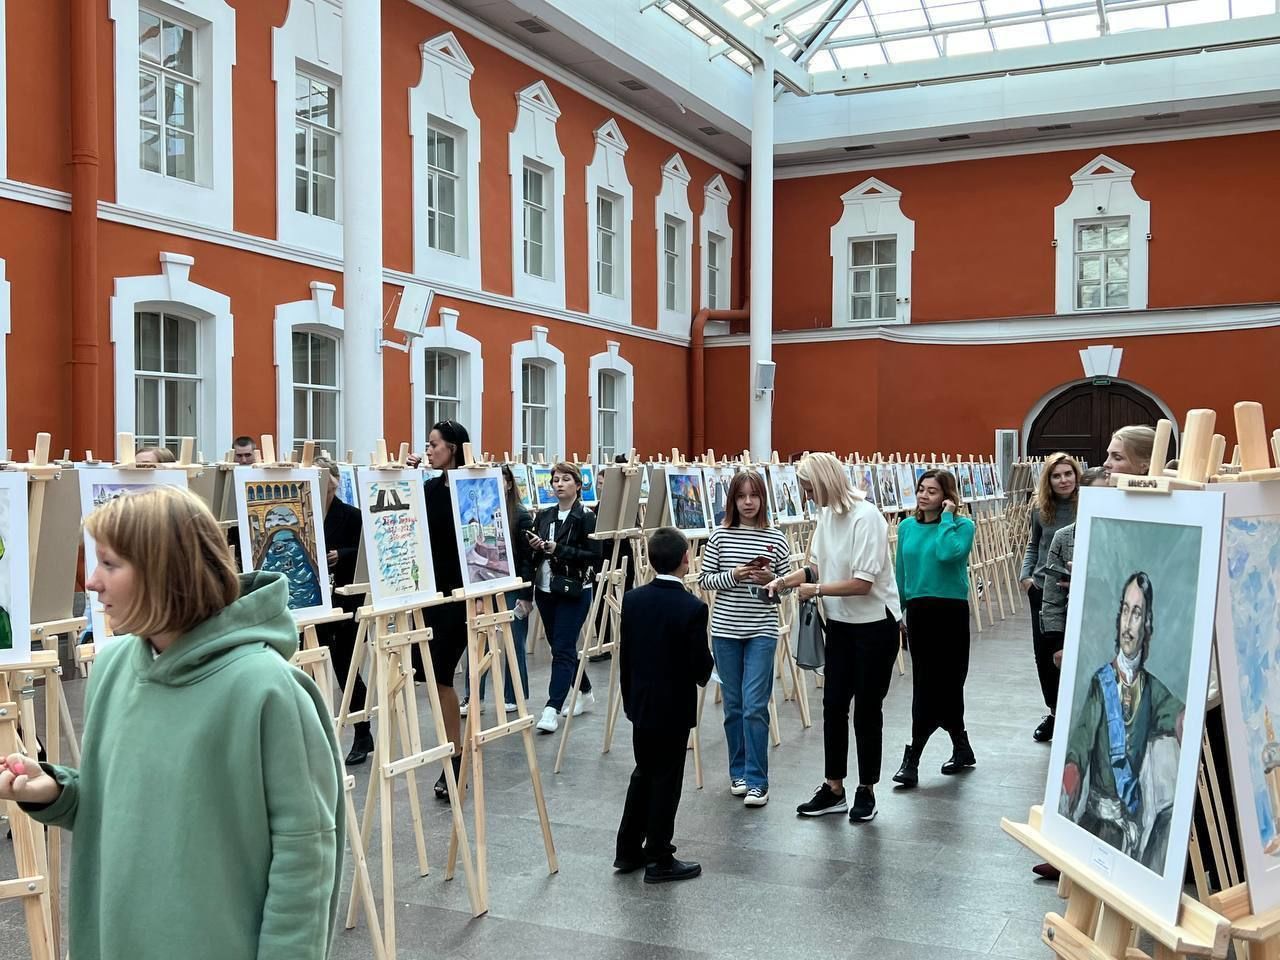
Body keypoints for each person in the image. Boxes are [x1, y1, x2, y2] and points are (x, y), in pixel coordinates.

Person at [0, 486, 342, 959]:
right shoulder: (115, 665)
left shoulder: (268, 690)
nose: (92, 582)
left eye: (110, 564)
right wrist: (59, 793)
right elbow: (131, 809)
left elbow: (306, 857)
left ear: (165, 574)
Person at [768, 452, 902, 824]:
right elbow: (815, 566)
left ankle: (867, 789)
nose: (807, 496)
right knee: (833, 706)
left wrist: (817, 589)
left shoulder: (867, 517)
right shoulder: (827, 515)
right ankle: (834, 787)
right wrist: (784, 581)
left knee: (867, 709)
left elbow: (862, 584)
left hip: (876, 624)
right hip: (842, 625)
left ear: (825, 483)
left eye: (808, 488)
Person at [1060, 572, 1185, 870]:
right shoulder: (1099, 684)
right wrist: (1065, 791)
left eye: (1137, 613)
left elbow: (1182, 720)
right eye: (1126, 611)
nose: (1128, 624)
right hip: (1097, 829)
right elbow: (1078, 748)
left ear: (1147, 625)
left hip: (1134, 834)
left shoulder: (1153, 691)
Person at [615, 526, 713, 884]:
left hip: (641, 704)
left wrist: (629, 699)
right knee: (667, 781)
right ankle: (659, 855)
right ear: (686, 559)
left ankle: (627, 849)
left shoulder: (633, 599)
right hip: (673, 708)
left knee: (643, 772)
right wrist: (707, 674)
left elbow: (626, 655)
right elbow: (698, 661)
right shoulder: (692, 607)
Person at [697, 470, 790, 807]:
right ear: (732, 501)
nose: (748, 502)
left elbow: (786, 587)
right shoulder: (719, 537)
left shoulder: (776, 538)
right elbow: (705, 581)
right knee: (733, 706)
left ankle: (757, 780)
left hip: (762, 630)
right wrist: (735, 574)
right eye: (741, 496)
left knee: (754, 706)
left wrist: (773, 580)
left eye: (754, 495)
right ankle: (737, 771)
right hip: (724, 631)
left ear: (763, 498)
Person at [891, 468, 977, 789]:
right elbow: (901, 572)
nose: (925, 495)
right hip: (920, 613)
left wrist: (947, 519)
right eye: (921, 489)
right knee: (925, 684)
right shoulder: (906, 527)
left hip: (951, 612)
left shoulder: (962, 527)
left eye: (932, 491)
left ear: (946, 497)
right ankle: (918, 757)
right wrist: (895, 612)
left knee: (951, 682)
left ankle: (953, 748)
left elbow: (947, 554)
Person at [407, 420, 471, 800]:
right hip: (430, 592)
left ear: (453, 448)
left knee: (443, 673)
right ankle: (453, 748)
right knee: (432, 676)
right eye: (428, 445)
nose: (428, 451)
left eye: (434, 445)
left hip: (461, 595)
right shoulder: (429, 487)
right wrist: (406, 478)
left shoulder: (471, 487)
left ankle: (456, 755)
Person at [528, 462, 602, 734]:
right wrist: (536, 546)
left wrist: (559, 549)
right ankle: (584, 690)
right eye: (555, 480)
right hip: (546, 588)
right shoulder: (545, 515)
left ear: (578, 485)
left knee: (562, 646)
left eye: (566, 479)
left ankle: (552, 707)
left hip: (575, 589)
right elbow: (534, 556)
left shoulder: (586, 517)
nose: (559, 484)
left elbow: (595, 555)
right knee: (561, 646)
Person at [311, 453, 371, 765]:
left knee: (346, 667)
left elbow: (363, 551)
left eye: (323, 476)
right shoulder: (305, 511)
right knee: (312, 664)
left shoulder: (351, 514)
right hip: (312, 598)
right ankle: (316, 733)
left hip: (345, 597)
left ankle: (362, 730)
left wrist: (341, 555)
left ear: (334, 481)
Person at [461, 464, 535, 714]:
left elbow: (527, 558)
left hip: (512, 584)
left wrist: (526, 594)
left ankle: (514, 694)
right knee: (478, 639)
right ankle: (473, 696)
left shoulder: (521, 515)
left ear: (509, 483)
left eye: (499, 479)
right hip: (483, 582)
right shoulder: (479, 513)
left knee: (514, 641)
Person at [1021, 452, 1082, 743]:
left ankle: (1077, 711)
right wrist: (1026, 577)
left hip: (1077, 589)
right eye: (1056, 475)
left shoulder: (1088, 505)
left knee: (1074, 652)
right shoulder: (1040, 509)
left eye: (1067, 474)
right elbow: (1034, 544)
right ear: (1048, 479)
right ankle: (1055, 711)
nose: (1063, 480)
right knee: (1045, 655)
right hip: (1044, 590)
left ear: (1076, 475)